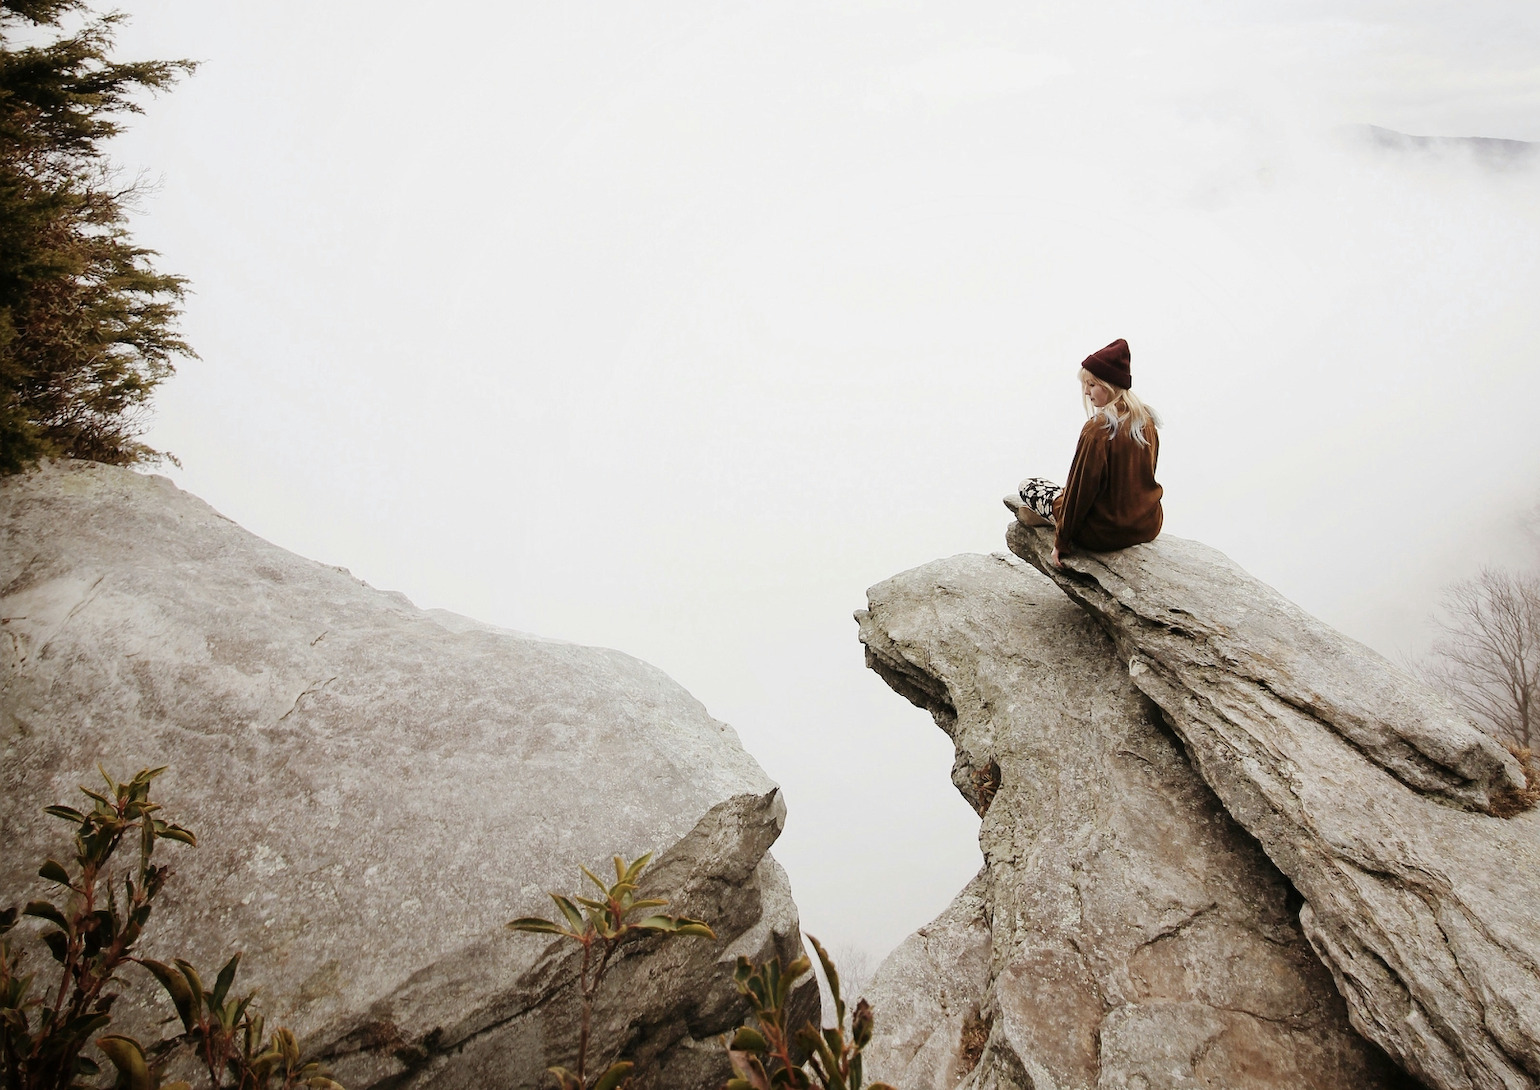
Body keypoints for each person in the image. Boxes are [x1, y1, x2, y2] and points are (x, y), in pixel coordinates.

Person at [1005, 338, 1163, 567]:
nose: (1087, 392)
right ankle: (1052, 513)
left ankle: (1050, 518)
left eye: (1092, 385)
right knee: (1067, 492)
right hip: (1146, 525)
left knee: (1029, 486)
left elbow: (1082, 491)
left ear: (1109, 385)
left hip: (1102, 533)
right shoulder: (1146, 421)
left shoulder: (1098, 429)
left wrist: (1061, 541)